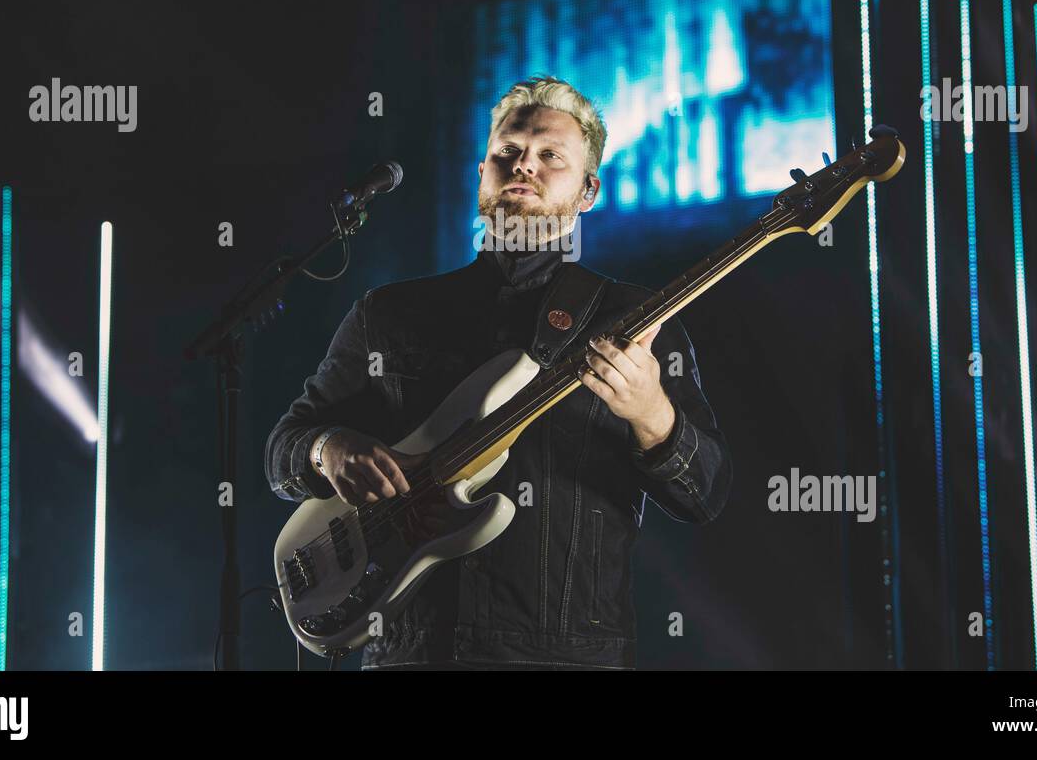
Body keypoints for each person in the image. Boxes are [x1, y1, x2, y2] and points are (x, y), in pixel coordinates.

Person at [266, 75, 731, 669]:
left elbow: (707, 494)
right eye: (507, 152)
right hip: (412, 654)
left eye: (550, 156)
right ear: (480, 172)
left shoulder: (636, 320)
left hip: (564, 659)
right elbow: (284, 449)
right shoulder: (389, 314)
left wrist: (651, 412)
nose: (524, 166)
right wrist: (327, 450)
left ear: (589, 190)